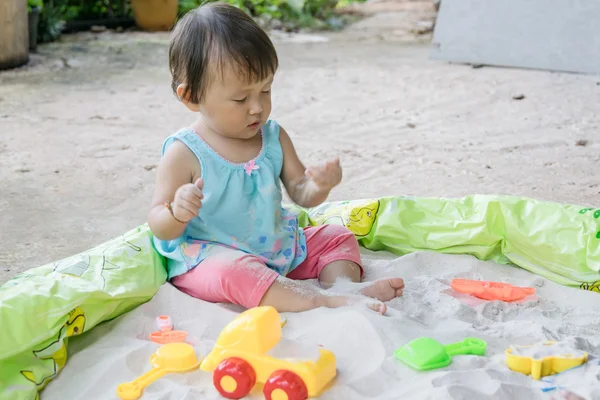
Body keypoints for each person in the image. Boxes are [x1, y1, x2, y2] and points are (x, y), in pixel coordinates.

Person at [147, 2, 404, 314]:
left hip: (278, 247)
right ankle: (322, 301)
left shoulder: (273, 137)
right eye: (241, 98)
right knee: (235, 271)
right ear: (192, 97)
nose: (257, 107)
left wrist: (320, 185)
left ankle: (344, 287)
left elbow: (301, 193)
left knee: (337, 236)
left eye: (265, 91)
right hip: (213, 257)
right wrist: (176, 212)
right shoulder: (184, 152)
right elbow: (158, 225)